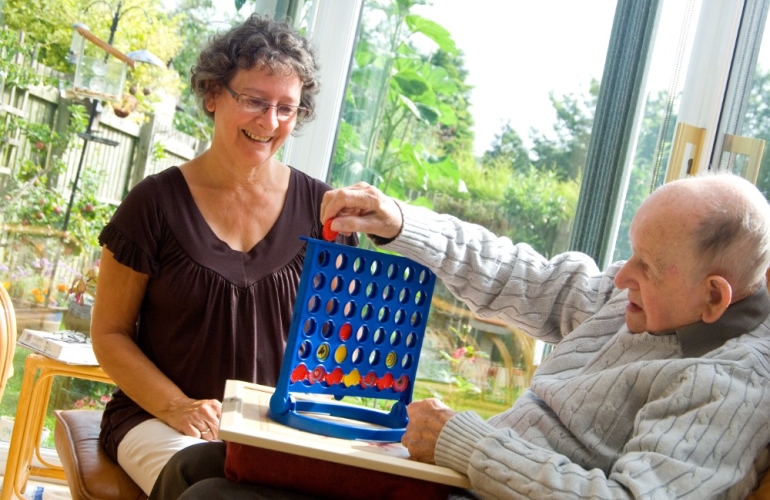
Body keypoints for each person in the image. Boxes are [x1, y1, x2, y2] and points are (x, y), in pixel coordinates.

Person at [149, 171, 770, 500]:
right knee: (199, 465)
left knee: (212, 497)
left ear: (715, 296)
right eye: (628, 254)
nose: (621, 276)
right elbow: (516, 272)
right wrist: (399, 224)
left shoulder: (729, 388)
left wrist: (466, 445)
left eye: (646, 268)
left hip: (471, 486)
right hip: (451, 481)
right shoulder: (640, 298)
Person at [90, 14, 356, 496]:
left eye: (286, 109)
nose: (270, 122)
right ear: (213, 95)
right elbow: (108, 334)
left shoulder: (323, 214)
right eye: (254, 101)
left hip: (271, 430)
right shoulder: (153, 205)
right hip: (161, 421)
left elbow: (337, 344)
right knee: (207, 488)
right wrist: (176, 406)